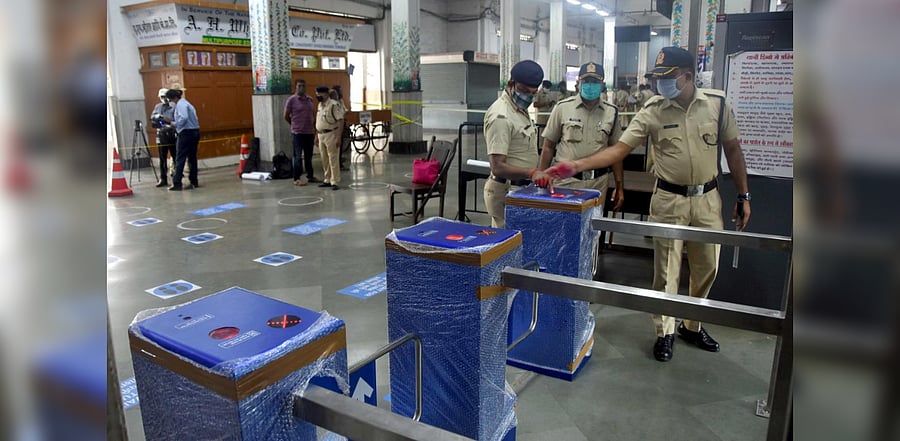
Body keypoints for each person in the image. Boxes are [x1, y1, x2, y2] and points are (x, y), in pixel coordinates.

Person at [543, 47, 752, 362]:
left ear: (688, 76)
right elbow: (618, 150)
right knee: (666, 270)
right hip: (669, 199)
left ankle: (692, 325)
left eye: (668, 78)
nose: (660, 85)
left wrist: (743, 194)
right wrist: (575, 165)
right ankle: (665, 330)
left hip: (708, 200)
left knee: (707, 266)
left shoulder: (717, 107)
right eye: (657, 78)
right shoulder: (653, 110)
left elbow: (734, 151)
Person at [538, 62, 624, 211]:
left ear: (602, 85)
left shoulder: (612, 112)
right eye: (586, 81)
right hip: (566, 182)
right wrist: (540, 179)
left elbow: (616, 153)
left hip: (598, 183)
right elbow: (548, 147)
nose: (590, 85)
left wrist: (619, 186)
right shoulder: (562, 108)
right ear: (578, 83)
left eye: (595, 82)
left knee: (592, 229)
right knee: (564, 227)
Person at [482, 60, 553, 228]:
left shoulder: (518, 109)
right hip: (505, 190)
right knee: (507, 246)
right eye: (523, 90)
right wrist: (532, 172)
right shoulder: (501, 116)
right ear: (511, 84)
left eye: (532, 93)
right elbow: (497, 167)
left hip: (519, 189)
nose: (527, 97)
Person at [163, 87, 200, 191]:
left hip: (186, 133)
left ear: (174, 98)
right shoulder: (187, 103)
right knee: (192, 157)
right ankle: (194, 181)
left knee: (180, 158)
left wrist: (173, 123)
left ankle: (177, 183)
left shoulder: (181, 105)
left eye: (170, 100)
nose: (170, 102)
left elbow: (183, 118)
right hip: (194, 131)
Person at [284, 79, 319, 186]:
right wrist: (293, 125)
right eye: (299, 86)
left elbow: (313, 115)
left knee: (309, 156)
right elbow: (286, 115)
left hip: (309, 132)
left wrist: (315, 130)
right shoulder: (291, 100)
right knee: (298, 156)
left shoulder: (310, 100)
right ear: (295, 87)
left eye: (303, 86)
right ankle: (296, 178)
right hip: (297, 133)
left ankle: (310, 175)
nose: (301, 88)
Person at [314, 86, 345, 190]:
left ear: (326, 94)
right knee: (324, 159)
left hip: (331, 134)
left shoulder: (333, 105)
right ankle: (327, 179)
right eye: (317, 94)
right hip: (321, 134)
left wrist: (338, 137)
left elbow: (340, 120)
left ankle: (334, 181)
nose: (318, 96)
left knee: (333, 158)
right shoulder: (320, 105)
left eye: (320, 94)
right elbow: (319, 121)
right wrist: (316, 136)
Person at [150, 88, 176, 188]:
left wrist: (167, 121)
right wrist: (157, 118)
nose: (164, 99)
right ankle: (163, 178)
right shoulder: (158, 106)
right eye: (162, 97)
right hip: (161, 134)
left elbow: (175, 119)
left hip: (171, 133)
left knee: (175, 155)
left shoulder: (173, 106)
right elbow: (152, 117)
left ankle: (177, 177)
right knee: (162, 158)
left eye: (165, 97)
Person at [331, 85, 351, 171]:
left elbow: (344, 110)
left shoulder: (340, 101)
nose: (341, 92)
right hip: (335, 127)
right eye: (340, 91)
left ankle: (339, 163)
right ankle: (336, 164)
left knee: (341, 145)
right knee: (335, 146)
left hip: (341, 126)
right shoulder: (332, 103)